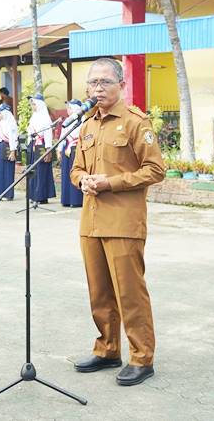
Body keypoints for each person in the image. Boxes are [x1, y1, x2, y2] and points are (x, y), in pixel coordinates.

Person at [70, 58, 165, 386]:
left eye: (105, 82)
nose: (97, 88)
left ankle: (142, 358)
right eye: (93, 82)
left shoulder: (136, 122)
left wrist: (110, 182)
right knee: (99, 292)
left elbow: (155, 170)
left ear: (121, 86)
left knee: (129, 293)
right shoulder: (87, 124)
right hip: (91, 221)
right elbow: (76, 168)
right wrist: (82, 180)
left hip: (124, 222)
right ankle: (108, 349)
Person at [27, 94, 55, 204]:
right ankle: (33, 195)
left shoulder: (45, 118)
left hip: (42, 146)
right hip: (33, 145)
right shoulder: (33, 117)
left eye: (34, 104)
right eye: (32, 105)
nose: (33, 107)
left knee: (41, 171)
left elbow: (48, 135)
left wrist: (48, 150)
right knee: (33, 170)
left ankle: (41, 196)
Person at [58, 99, 85, 208]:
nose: (68, 110)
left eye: (69, 108)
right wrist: (59, 149)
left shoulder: (83, 120)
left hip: (76, 147)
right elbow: (62, 136)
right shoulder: (68, 120)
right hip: (67, 148)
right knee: (66, 173)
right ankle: (66, 199)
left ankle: (76, 200)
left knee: (75, 172)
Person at [0, 104, 18, 201]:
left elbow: (13, 138)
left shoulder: (11, 123)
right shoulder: (0, 123)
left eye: (0, 113)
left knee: (7, 171)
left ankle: (8, 194)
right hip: (0, 148)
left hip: (8, 148)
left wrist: (12, 152)